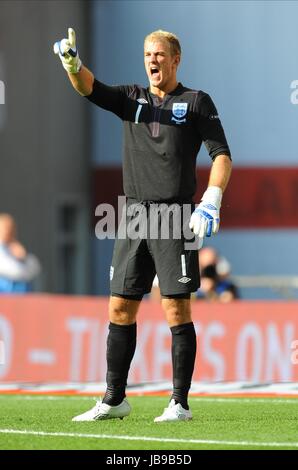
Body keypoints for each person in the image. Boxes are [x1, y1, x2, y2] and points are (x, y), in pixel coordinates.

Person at [54, 28, 232, 422]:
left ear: (175, 59)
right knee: (119, 306)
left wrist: (211, 201)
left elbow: (221, 155)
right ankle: (115, 398)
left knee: (175, 308)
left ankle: (179, 403)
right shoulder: (130, 98)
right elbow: (90, 88)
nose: (152, 60)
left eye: (160, 54)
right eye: (148, 54)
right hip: (134, 214)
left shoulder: (197, 102)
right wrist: (73, 63)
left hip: (174, 215)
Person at [0, 213, 41, 293]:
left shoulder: (15, 248)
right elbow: (16, 271)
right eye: (6, 228)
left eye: (11, 228)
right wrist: (25, 268)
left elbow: (36, 267)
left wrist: (24, 257)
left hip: (20, 297)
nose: (9, 232)